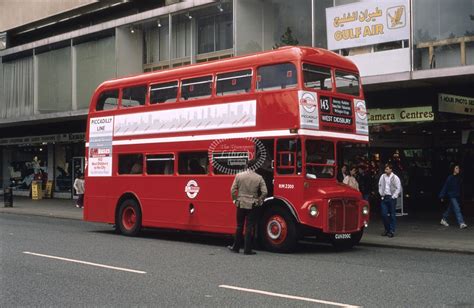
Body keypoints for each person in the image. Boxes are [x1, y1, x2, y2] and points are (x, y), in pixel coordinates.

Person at [228, 159, 268, 255]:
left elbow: (232, 190)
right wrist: (259, 200)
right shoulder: (259, 178)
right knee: (249, 226)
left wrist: (235, 200)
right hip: (252, 204)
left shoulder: (239, 176)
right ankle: (247, 249)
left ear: (247, 166)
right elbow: (265, 192)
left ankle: (236, 247)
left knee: (239, 226)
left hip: (240, 203)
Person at [439, 164, 468, 229]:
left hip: (457, 196)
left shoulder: (459, 178)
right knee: (457, 209)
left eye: (458, 168)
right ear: (453, 169)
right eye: (456, 168)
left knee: (450, 209)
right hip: (452, 196)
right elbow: (445, 187)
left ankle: (444, 219)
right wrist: (442, 196)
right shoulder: (450, 178)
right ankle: (461, 223)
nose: (458, 169)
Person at [378, 163, 401, 238]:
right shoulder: (382, 176)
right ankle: (387, 229)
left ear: (391, 169)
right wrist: (381, 193)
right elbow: (380, 185)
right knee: (384, 214)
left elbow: (398, 187)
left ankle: (391, 231)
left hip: (391, 198)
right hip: (384, 197)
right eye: (385, 169)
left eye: (387, 169)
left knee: (392, 215)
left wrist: (394, 196)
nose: (386, 170)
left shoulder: (395, 177)